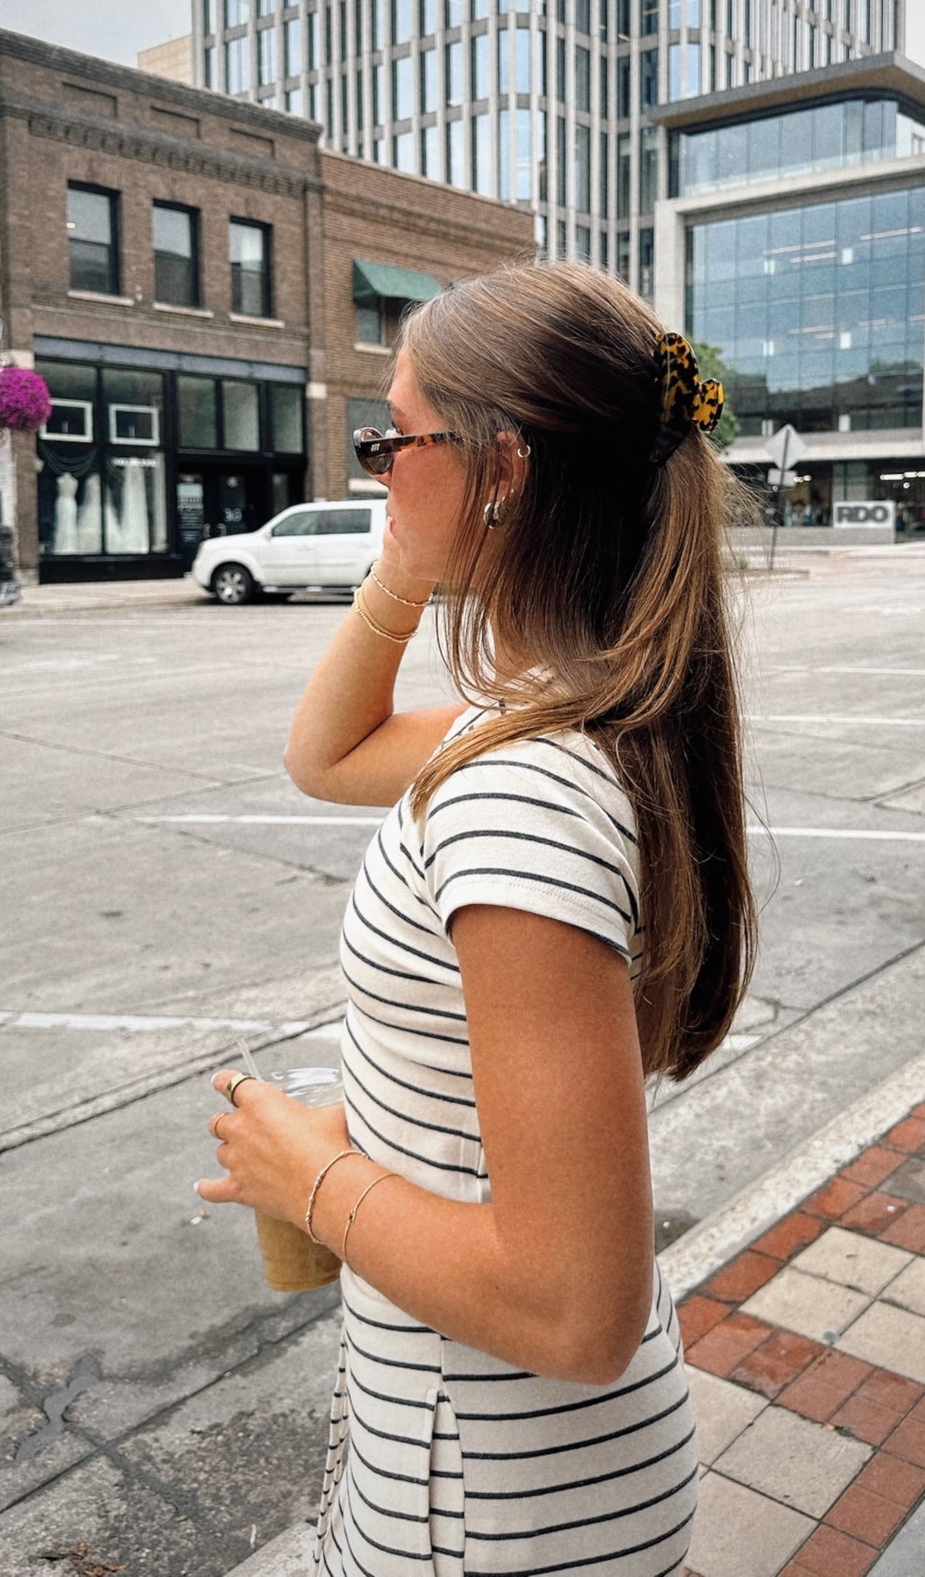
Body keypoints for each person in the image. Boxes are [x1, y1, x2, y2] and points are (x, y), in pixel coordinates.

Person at [196, 262, 757, 1575]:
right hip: (503, 1469)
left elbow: (573, 1311)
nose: (375, 471)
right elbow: (327, 757)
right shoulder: (566, 711)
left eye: (391, 441)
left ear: (502, 469)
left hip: (492, 1502)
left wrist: (307, 1177)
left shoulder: (521, 789)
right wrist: (404, 569)